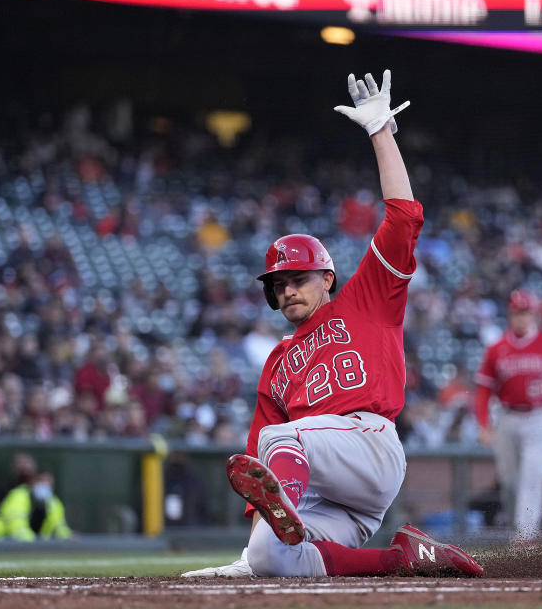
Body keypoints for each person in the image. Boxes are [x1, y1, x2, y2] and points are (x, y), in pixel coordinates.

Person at [183, 70, 483, 579]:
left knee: (279, 440)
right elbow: (260, 462)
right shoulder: (276, 362)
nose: (286, 291)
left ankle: (284, 520)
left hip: (368, 445)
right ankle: (406, 558)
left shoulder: (366, 299)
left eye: (296, 279)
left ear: (327, 277)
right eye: (277, 286)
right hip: (334, 496)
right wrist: (254, 547)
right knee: (271, 558)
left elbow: (404, 217)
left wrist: (381, 132)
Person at [474, 289, 542, 545]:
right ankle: (518, 529)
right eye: (517, 313)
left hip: (541, 417)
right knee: (509, 483)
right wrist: (483, 424)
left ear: (533, 314)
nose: (522, 318)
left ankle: (524, 537)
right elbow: (483, 390)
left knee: (532, 478)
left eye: (526, 312)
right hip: (508, 417)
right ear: (510, 315)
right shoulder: (497, 348)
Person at [0, 470, 72, 541]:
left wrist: (71, 539)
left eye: (49, 483)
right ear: (33, 482)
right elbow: (17, 528)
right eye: (42, 481)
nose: (45, 486)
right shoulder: (19, 495)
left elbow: (60, 528)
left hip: (26, 546)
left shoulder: (53, 503)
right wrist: (36, 545)